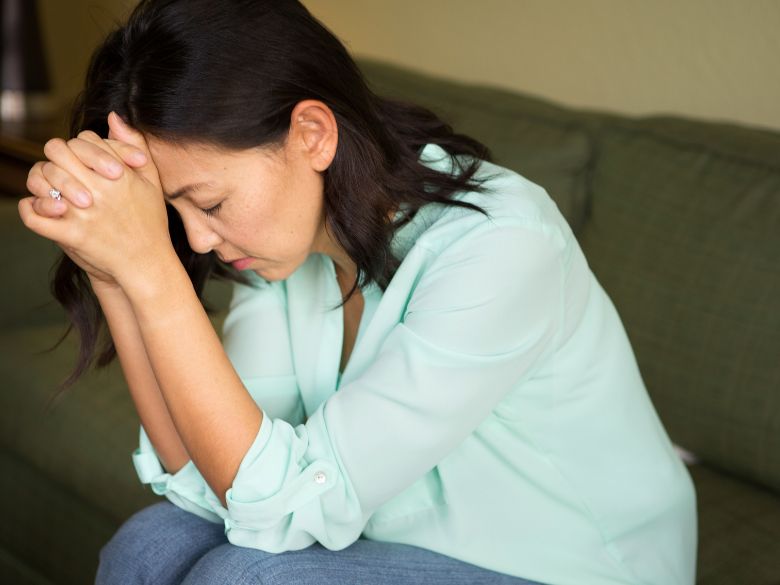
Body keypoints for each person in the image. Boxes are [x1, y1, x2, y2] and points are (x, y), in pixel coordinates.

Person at [19, 1, 697, 584]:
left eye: (212, 202)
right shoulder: (285, 249)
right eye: (177, 213)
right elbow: (219, 481)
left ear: (312, 134)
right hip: (393, 541)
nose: (196, 241)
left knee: (247, 576)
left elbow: (280, 508)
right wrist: (111, 274)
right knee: (152, 540)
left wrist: (152, 273)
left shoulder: (502, 247)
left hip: (570, 566)